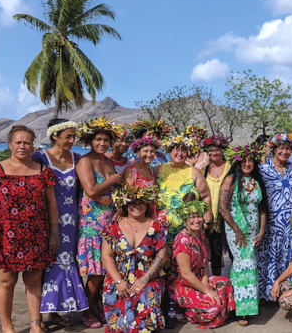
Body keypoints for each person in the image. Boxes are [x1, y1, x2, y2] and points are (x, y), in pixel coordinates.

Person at [0, 125, 60, 333]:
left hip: (36, 235)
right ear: (10, 144)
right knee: (7, 281)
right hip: (6, 237)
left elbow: (52, 205)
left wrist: (54, 232)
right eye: (18, 142)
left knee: (33, 280)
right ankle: (7, 327)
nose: (22, 146)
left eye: (27, 142)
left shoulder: (43, 171)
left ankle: (35, 324)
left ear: (33, 146)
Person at [32, 119, 88, 327]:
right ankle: (44, 312)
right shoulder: (39, 158)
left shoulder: (77, 158)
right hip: (45, 219)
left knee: (66, 259)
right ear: (54, 136)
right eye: (68, 137)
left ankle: (56, 311)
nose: (72, 141)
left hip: (71, 219)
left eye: (74, 137)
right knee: (47, 262)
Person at [75, 116, 124, 328]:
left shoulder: (108, 161)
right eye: (98, 139)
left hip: (108, 222)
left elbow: (114, 192)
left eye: (106, 140)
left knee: (105, 270)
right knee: (94, 273)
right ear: (90, 140)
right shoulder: (85, 161)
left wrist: (121, 207)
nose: (102, 143)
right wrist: (113, 180)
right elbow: (92, 191)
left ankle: (95, 305)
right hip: (92, 222)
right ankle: (87, 309)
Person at [101, 185, 168, 333]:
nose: (136, 206)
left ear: (147, 204)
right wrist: (118, 281)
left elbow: (162, 256)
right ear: (126, 204)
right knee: (119, 313)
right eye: (132, 202)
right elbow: (106, 256)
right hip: (119, 276)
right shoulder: (113, 227)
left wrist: (144, 280)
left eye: (140, 202)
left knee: (145, 297)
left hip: (148, 276)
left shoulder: (157, 226)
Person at [219, 143, 268, 325]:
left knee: (250, 264)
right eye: (244, 161)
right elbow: (222, 208)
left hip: (254, 231)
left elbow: (262, 208)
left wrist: (262, 231)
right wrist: (237, 230)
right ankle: (242, 311)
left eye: (250, 161)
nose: (247, 164)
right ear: (238, 163)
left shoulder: (256, 181)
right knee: (242, 263)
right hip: (235, 230)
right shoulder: (231, 180)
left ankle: (243, 304)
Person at [170, 199, 236, 329]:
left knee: (226, 283)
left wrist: (205, 282)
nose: (196, 220)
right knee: (213, 307)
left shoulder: (200, 234)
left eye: (199, 216)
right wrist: (207, 291)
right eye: (192, 217)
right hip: (183, 286)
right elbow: (186, 274)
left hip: (199, 280)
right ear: (185, 219)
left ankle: (217, 310)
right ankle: (186, 312)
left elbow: (205, 262)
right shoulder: (182, 240)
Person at [257, 133, 292, 301]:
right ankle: (268, 294)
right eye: (282, 148)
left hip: (291, 224)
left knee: (288, 256)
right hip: (272, 223)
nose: (285, 152)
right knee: (270, 256)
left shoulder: (291, 168)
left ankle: (286, 290)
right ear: (274, 149)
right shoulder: (263, 169)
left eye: (288, 148)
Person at [154, 134, 212, 245]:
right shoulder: (157, 171)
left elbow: (205, 196)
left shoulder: (194, 172)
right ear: (170, 151)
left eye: (184, 151)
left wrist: (207, 220)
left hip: (187, 230)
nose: (180, 154)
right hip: (162, 230)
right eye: (177, 150)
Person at [201, 135, 231, 276]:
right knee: (215, 253)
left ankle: (236, 283)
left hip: (230, 216)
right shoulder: (205, 171)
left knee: (233, 251)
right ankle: (218, 282)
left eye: (217, 150)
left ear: (222, 150)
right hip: (212, 218)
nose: (214, 153)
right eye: (211, 151)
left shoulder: (230, 168)